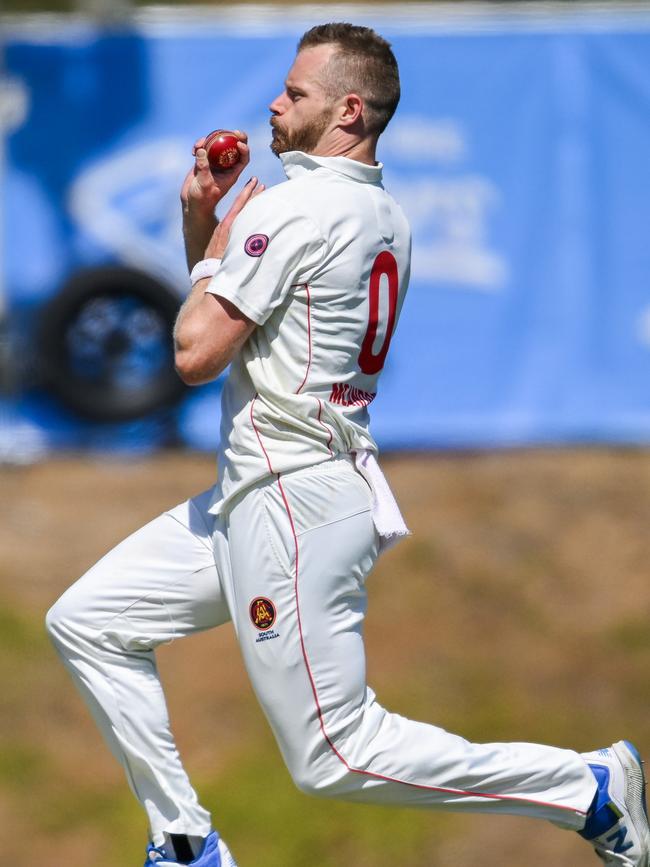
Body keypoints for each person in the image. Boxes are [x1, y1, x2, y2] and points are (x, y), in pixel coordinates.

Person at [46, 22, 650, 867]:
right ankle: (183, 839)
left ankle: (581, 786)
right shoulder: (382, 210)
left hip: (290, 498)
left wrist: (213, 241)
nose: (273, 102)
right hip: (271, 489)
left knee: (334, 756)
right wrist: (207, 231)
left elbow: (192, 353)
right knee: (89, 620)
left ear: (349, 110)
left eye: (294, 93)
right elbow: (232, 326)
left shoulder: (296, 207)